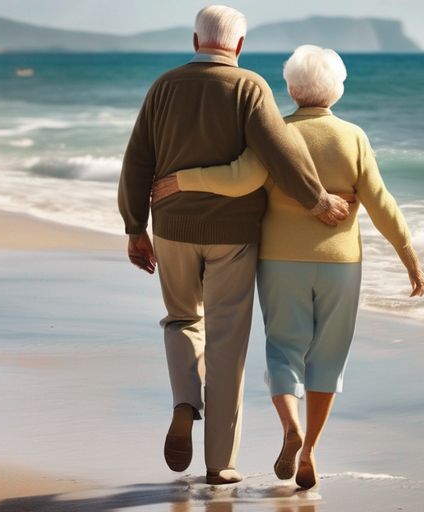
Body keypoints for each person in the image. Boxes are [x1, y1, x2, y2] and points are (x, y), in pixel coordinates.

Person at [151, 44, 424, 490]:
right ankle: (310, 449)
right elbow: (380, 202)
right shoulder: (353, 136)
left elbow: (238, 178)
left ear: (291, 87)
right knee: (328, 357)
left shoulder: (275, 132)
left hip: (279, 260)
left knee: (283, 350)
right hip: (341, 263)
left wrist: (183, 180)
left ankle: (289, 427)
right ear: (337, 89)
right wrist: (409, 258)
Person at [116, 7, 351, 485]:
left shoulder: (163, 86)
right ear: (239, 46)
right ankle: (220, 464)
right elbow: (280, 149)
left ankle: (185, 403)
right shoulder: (249, 87)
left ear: (195, 40)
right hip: (233, 236)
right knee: (227, 344)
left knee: (183, 319)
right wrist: (318, 200)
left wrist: (134, 226)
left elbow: (137, 157)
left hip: (173, 228)